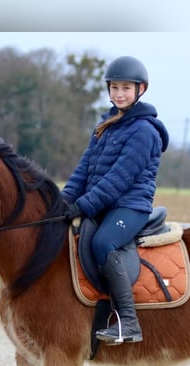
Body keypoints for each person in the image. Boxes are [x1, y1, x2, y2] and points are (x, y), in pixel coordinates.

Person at [62, 56, 170, 345]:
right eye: (114, 88)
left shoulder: (145, 131)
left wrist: (83, 205)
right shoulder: (107, 124)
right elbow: (84, 169)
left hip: (130, 206)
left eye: (126, 88)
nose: (119, 94)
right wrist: (62, 201)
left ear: (140, 90)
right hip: (105, 203)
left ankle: (129, 322)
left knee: (103, 243)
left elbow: (119, 179)